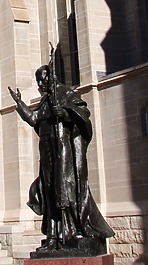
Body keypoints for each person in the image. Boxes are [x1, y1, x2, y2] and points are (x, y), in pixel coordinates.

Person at [9, 63, 113, 251]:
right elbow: (34, 119)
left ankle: (71, 232)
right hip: (46, 147)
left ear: (50, 78)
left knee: (64, 188)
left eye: (42, 80)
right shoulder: (45, 100)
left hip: (62, 145)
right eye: (38, 81)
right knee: (48, 190)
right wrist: (20, 104)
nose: (40, 84)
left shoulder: (64, 93)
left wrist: (64, 113)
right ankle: (53, 237)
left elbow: (83, 114)